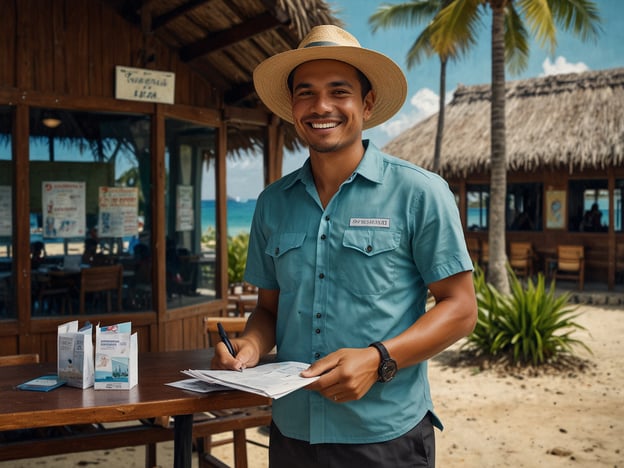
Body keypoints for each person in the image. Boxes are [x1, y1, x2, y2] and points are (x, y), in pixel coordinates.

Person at [211, 25, 477, 467]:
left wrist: (380, 359)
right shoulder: (272, 203)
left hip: (385, 434)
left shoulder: (420, 193)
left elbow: (461, 308)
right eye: (306, 93)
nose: (321, 107)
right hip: (292, 431)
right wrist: (251, 346)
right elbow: (269, 311)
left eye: (339, 91)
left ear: (367, 103)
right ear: (293, 106)